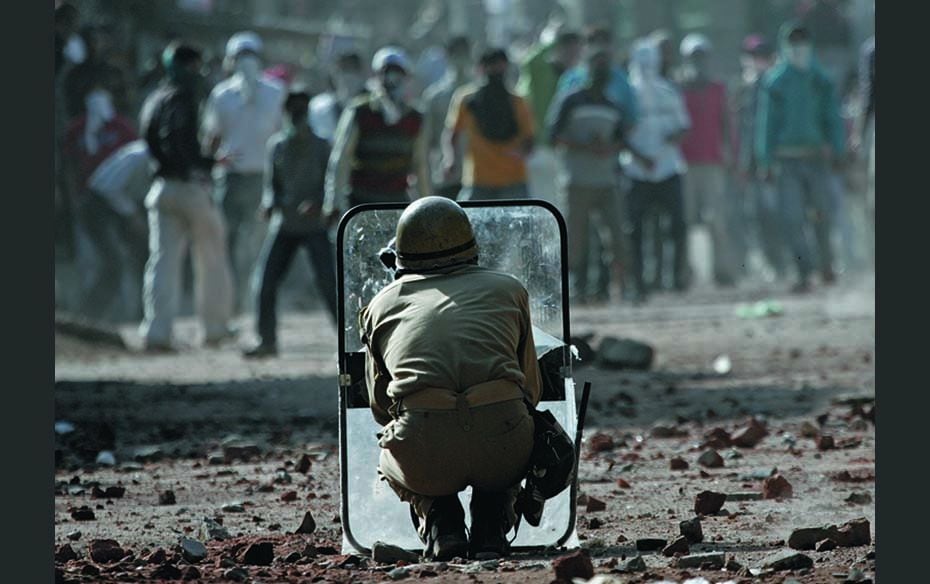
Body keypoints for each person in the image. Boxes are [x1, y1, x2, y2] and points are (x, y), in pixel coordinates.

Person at [359, 196, 540, 560]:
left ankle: (441, 521)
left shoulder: (380, 305)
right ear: (471, 246)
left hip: (425, 451)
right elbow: (530, 391)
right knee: (516, 427)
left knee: (390, 450)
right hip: (504, 446)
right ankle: (493, 519)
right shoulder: (508, 289)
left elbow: (381, 408)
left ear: (402, 254)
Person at [138, 42, 235, 351]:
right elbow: (176, 138)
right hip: (188, 187)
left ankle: (157, 331)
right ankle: (215, 328)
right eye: (192, 66)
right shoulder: (183, 98)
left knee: (162, 262)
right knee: (211, 256)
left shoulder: (154, 98)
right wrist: (203, 163)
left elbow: (157, 141)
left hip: (161, 189)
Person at [548, 47, 651, 304]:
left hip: (606, 181)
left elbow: (620, 141)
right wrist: (586, 146)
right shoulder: (570, 100)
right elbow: (554, 137)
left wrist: (626, 153)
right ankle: (573, 290)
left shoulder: (612, 106)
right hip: (577, 180)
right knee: (575, 241)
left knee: (617, 238)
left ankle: (624, 289)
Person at [243, 88, 338, 359]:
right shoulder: (277, 146)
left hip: (314, 226)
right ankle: (266, 340)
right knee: (265, 281)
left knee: (329, 283)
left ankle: (348, 342)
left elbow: (331, 185)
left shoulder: (322, 146)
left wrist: (319, 203)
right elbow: (271, 185)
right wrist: (270, 203)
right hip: (284, 225)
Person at [756, 23, 845, 293]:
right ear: (785, 45)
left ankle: (826, 265)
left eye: (802, 41)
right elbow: (767, 124)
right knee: (792, 218)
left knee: (821, 215)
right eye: (793, 42)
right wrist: (765, 161)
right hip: (786, 160)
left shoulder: (821, 79)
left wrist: (838, 151)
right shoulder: (776, 82)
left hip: (815, 157)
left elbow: (833, 119)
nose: (798, 47)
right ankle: (803, 271)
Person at [202, 31, 286, 312]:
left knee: (254, 244)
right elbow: (212, 139)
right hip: (236, 178)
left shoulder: (271, 92)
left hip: (259, 179)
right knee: (232, 243)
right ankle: (236, 300)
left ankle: (251, 300)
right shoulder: (224, 94)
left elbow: (211, 140)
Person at [622, 38, 691, 304]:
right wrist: (640, 158)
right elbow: (622, 133)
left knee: (677, 226)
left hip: (668, 168)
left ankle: (676, 278)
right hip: (636, 171)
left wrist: (664, 149)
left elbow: (683, 126)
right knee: (635, 230)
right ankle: (639, 282)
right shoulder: (627, 95)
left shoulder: (669, 92)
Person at [323, 47, 429, 220]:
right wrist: (333, 202)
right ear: (377, 76)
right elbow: (341, 159)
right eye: (387, 73)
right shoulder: (359, 111)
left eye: (397, 73)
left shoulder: (415, 118)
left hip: (397, 203)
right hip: (361, 203)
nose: (392, 80)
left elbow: (421, 165)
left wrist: (427, 206)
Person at [62, 87, 139, 320]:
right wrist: (71, 196)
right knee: (97, 258)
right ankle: (89, 314)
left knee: (126, 255)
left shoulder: (121, 127)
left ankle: (128, 310)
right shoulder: (76, 129)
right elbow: (68, 166)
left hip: (119, 202)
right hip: (90, 201)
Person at [678, 33, 738, 287]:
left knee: (717, 220)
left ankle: (722, 271)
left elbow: (727, 124)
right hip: (683, 164)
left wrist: (732, 155)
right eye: (694, 57)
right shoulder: (678, 88)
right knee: (686, 221)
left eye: (702, 56)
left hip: (712, 163)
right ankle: (684, 273)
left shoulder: (718, 89)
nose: (698, 61)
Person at [443, 49, 535, 200]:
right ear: (481, 68)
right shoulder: (466, 100)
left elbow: (530, 141)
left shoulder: (518, 102)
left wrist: (521, 153)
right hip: (479, 180)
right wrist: (450, 160)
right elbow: (453, 133)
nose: (496, 71)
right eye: (492, 66)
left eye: (500, 66)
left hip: (513, 180)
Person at [732, 35, 786, 280]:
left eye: (762, 56)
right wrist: (743, 164)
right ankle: (771, 264)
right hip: (753, 163)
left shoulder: (779, 84)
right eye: (754, 56)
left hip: (778, 161)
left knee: (781, 214)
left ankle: (787, 261)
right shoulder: (745, 87)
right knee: (757, 217)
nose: (758, 61)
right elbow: (743, 129)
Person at [422, 36, 472, 198]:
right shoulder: (435, 96)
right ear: (448, 57)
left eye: (463, 53)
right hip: (446, 174)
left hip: (477, 175)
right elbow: (426, 141)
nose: (460, 59)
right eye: (455, 54)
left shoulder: (478, 94)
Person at [308, 52, 367, 144]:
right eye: (344, 69)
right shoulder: (319, 108)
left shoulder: (371, 106)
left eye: (353, 70)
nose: (348, 76)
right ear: (334, 74)